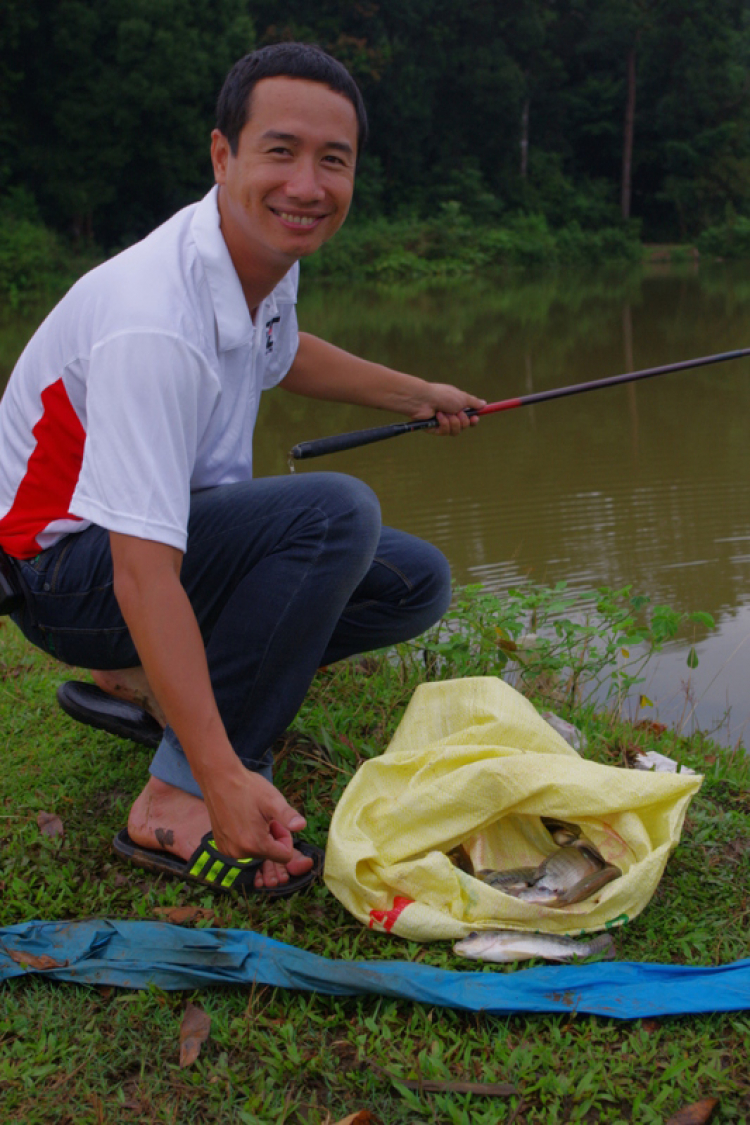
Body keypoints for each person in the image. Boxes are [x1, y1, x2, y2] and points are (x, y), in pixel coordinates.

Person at [0, 43, 484, 896]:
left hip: (143, 549)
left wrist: (417, 392)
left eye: (333, 161)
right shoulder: (155, 318)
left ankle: (153, 687)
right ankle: (175, 797)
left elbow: (283, 352)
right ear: (223, 156)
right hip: (60, 571)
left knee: (414, 582)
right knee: (332, 516)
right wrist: (221, 776)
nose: (307, 184)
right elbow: (143, 575)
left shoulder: (254, 262)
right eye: (280, 151)